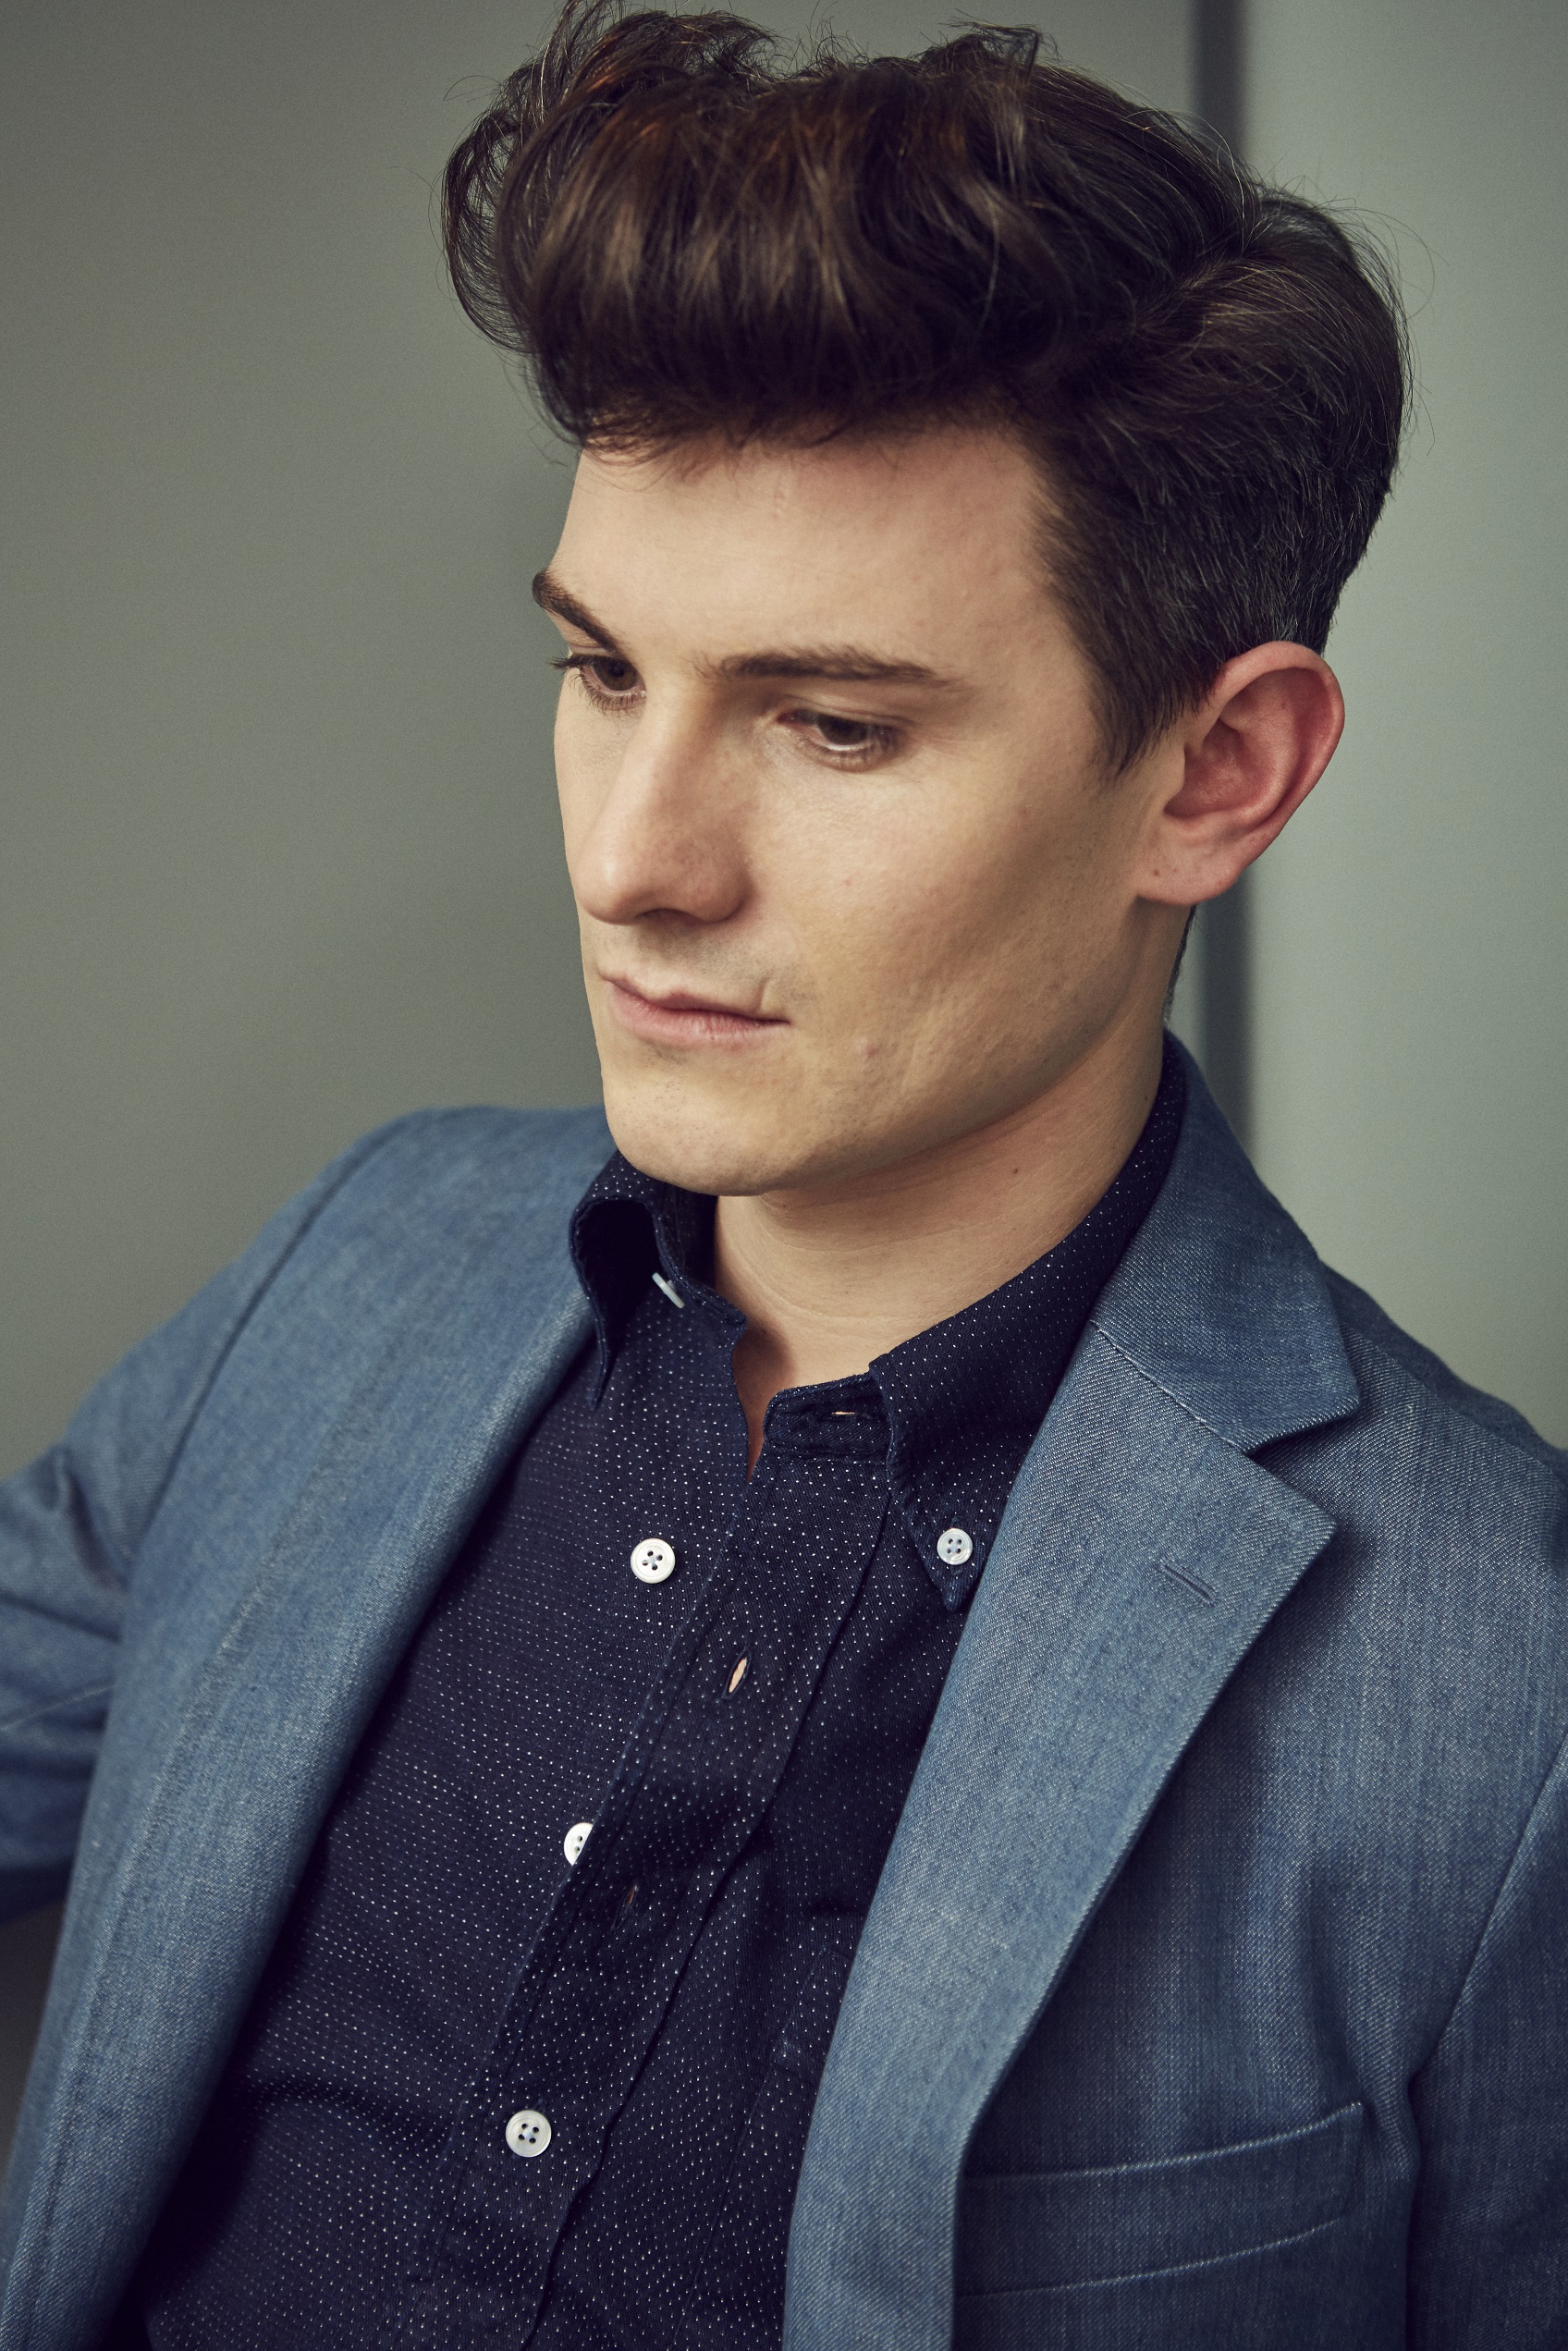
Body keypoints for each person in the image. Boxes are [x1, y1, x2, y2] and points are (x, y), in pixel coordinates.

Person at [2, 3, 1564, 2344]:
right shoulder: (361, 1255)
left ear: (1214, 774)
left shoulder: (1504, 1683)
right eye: (600, 673)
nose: (629, 865)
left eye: (831, 725)